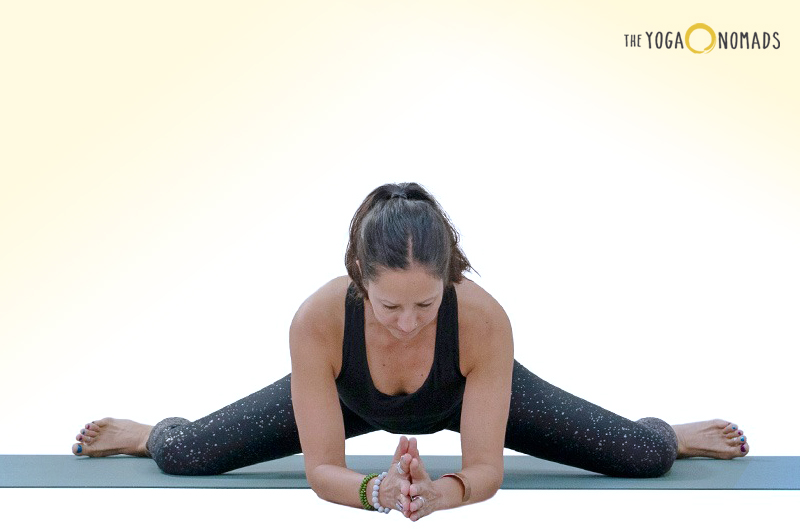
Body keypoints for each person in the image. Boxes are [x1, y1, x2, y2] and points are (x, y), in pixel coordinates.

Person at [71, 182, 749, 521]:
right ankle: (145, 434)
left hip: (461, 391)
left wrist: (442, 494)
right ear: (358, 279)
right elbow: (322, 468)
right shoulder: (317, 321)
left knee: (645, 457)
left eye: (425, 306)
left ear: (450, 281)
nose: (405, 322)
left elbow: (485, 466)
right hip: (348, 396)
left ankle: (671, 435)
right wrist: (379, 492)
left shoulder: (482, 323)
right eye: (389, 305)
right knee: (183, 456)